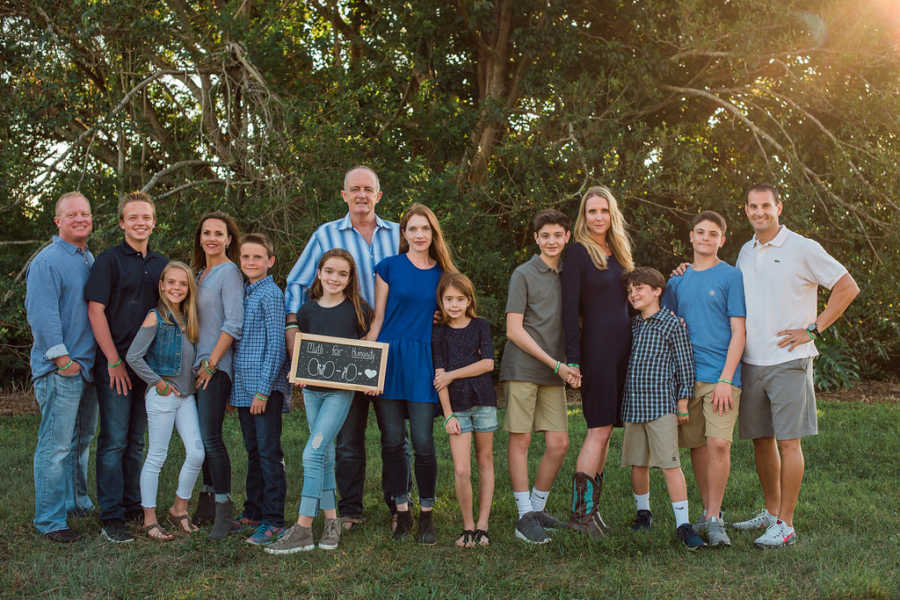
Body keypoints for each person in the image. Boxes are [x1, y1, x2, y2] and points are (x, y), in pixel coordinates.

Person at [731, 184, 859, 548]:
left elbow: (847, 286)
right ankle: (771, 513)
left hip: (789, 361)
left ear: (779, 207)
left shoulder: (802, 247)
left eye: (766, 206)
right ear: (746, 210)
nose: (759, 212)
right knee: (761, 440)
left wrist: (814, 328)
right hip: (752, 361)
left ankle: (786, 524)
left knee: (789, 443)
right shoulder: (746, 250)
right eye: (753, 206)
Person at [284, 165, 403, 531]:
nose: (362, 195)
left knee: (393, 433)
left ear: (379, 194)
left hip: (388, 342)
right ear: (344, 194)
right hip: (341, 347)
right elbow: (296, 282)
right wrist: (293, 329)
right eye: (355, 189)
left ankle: (399, 503)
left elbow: (425, 272)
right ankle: (350, 509)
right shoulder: (326, 234)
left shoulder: (400, 234)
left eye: (369, 189)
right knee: (348, 437)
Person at [267, 248, 373, 554]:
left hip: (340, 393)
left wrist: (369, 378)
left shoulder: (358, 310)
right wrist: (298, 370)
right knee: (324, 455)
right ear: (319, 273)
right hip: (312, 391)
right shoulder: (307, 311)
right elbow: (302, 349)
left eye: (342, 273)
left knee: (311, 454)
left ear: (350, 278)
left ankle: (302, 528)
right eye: (329, 271)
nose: (335, 278)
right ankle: (331, 522)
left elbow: (368, 350)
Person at [365, 202, 457, 543]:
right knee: (392, 442)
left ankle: (427, 515)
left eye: (425, 229)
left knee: (423, 442)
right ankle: (401, 511)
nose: (419, 235)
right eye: (413, 229)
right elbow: (377, 322)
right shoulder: (388, 267)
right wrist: (366, 365)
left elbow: (455, 315)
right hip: (389, 360)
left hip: (422, 361)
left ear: (434, 234)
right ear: (403, 234)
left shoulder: (443, 275)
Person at [86, 191, 168, 543]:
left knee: (136, 441)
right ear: (122, 222)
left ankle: (133, 503)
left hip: (147, 368)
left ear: (153, 221)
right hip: (115, 365)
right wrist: (113, 361)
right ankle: (112, 515)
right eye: (133, 217)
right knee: (115, 441)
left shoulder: (162, 265)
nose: (140, 222)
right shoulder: (108, 261)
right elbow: (95, 311)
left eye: (146, 217)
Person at [661, 211, 746, 547]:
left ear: (722, 240)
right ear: (691, 237)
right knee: (696, 445)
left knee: (719, 443)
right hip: (686, 377)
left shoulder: (731, 277)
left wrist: (726, 379)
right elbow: (664, 324)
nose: (706, 238)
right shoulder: (677, 281)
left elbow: (739, 331)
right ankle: (709, 512)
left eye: (714, 233)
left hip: (720, 376)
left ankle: (713, 517)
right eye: (700, 232)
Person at [500, 209, 580, 545]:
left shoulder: (569, 273)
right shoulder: (523, 273)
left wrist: (566, 365)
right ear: (536, 239)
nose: (551, 241)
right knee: (521, 441)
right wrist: (556, 364)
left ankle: (538, 508)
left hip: (554, 370)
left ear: (566, 237)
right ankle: (523, 516)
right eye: (544, 235)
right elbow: (513, 329)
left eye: (557, 235)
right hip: (524, 367)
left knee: (559, 444)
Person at [561, 185, 634, 538]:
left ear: (612, 213)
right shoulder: (577, 253)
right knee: (598, 429)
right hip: (597, 352)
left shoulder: (618, 251)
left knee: (606, 434)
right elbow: (568, 310)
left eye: (603, 210)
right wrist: (573, 360)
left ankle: (593, 511)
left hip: (623, 351)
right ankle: (579, 517)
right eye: (592, 211)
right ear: (583, 216)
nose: (598, 217)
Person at [25, 191, 98, 542]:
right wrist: (61, 360)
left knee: (80, 441)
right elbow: (42, 315)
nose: (80, 218)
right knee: (56, 447)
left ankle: (76, 501)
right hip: (61, 369)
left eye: (85, 213)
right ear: (58, 221)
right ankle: (51, 521)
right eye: (72, 215)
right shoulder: (48, 261)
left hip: (87, 369)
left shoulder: (86, 258)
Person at [621, 267, 706, 550]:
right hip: (635, 405)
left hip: (661, 406)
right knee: (637, 462)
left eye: (639, 288)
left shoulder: (671, 324)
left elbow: (685, 366)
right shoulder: (633, 325)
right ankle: (643, 513)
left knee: (669, 464)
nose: (633, 294)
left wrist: (682, 403)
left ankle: (683, 524)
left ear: (657, 291)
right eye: (630, 290)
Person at [125, 262, 204, 540]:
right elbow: (133, 356)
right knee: (157, 456)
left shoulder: (190, 318)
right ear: (161, 286)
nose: (176, 288)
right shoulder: (155, 317)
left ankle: (179, 508)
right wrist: (157, 382)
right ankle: (149, 519)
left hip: (187, 396)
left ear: (189, 288)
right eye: (171, 283)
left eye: (182, 284)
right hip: (163, 395)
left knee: (197, 453)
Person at [230, 233, 291, 546]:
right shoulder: (245, 292)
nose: (250, 262)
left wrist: (264, 391)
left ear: (270, 261)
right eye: (245, 257)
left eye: (257, 257)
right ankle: (252, 512)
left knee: (268, 453)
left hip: (263, 387)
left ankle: (274, 520)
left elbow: (277, 347)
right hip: (243, 387)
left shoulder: (271, 294)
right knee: (253, 451)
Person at [189, 212, 244, 540]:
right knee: (200, 436)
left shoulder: (229, 273)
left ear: (228, 240)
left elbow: (233, 323)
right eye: (206, 232)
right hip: (194, 367)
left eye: (218, 233)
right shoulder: (198, 274)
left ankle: (224, 508)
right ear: (200, 238)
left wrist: (212, 363)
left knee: (211, 437)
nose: (212, 238)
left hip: (216, 367)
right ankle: (207, 500)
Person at [432, 272, 496, 548]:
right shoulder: (439, 332)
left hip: (483, 402)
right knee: (461, 469)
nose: (455, 305)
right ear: (442, 302)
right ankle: (468, 525)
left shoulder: (481, 326)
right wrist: (447, 415)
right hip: (456, 407)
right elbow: (439, 376)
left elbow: (488, 364)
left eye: (460, 299)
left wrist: (452, 375)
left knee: (485, 461)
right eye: (449, 300)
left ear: (469, 300)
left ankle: (483, 524)